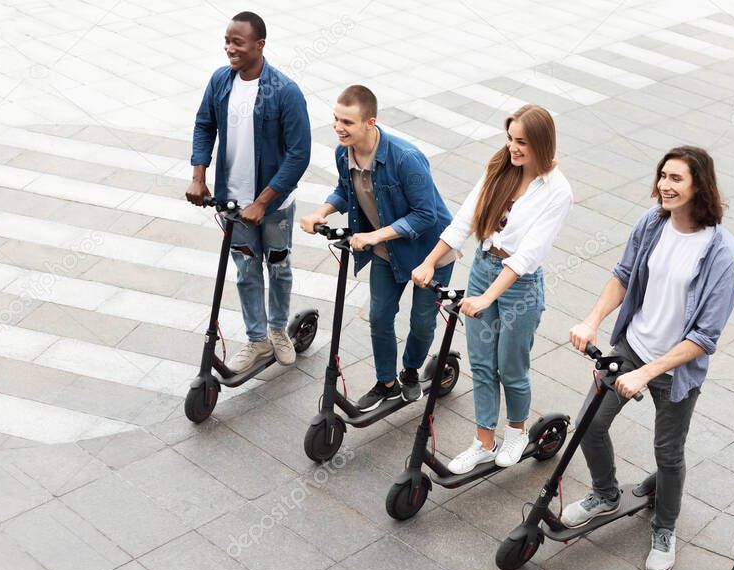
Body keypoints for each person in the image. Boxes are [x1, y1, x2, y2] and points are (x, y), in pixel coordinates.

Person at [565, 146, 734, 570]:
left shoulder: (723, 255)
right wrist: (591, 320)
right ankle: (605, 494)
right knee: (589, 423)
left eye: (677, 178)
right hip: (632, 347)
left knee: (668, 452)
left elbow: (704, 337)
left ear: (700, 185)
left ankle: (665, 528)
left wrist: (648, 372)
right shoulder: (652, 223)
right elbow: (624, 275)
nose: (665, 185)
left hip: (676, 369)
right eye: (663, 175)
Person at [412, 105, 573, 474]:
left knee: (511, 367)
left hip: (519, 286)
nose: (513, 149)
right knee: (483, 364)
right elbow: (466, 219)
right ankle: (484, 441)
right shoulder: (500, 167)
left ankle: (516, 431)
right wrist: (429, 261)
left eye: (522, 143)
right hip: (484, 268)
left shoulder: (558, 192)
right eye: (510, 139)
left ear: (543, 144)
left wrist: (488, 298)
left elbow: (527, 256)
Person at [300, 85, 454, 411]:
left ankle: (410, 371)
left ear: (370, 123)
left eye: (348, 122)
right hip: (388, 250)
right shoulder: (344, 152)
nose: (339, 127)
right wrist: (320, 213)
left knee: (422, 322)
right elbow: (346, 190)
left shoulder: (406, 159)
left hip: (430, 253)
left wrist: (374, 236)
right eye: (336, 119)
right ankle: (386, 382)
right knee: (380, 316)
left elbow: (426, 215)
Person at [186, 11, 311, 372]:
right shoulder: (220, 82)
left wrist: (262, 202)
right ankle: (257, 339)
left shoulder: (284, 92)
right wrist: (199, 176)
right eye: (227, 41)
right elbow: (203, 124)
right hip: (232, 202)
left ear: (260, 45)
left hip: (273, 206)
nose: (229, 48)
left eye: (237, 42)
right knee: (245, 269)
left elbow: (299, 154)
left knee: (279, 267)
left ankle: (277, 330)